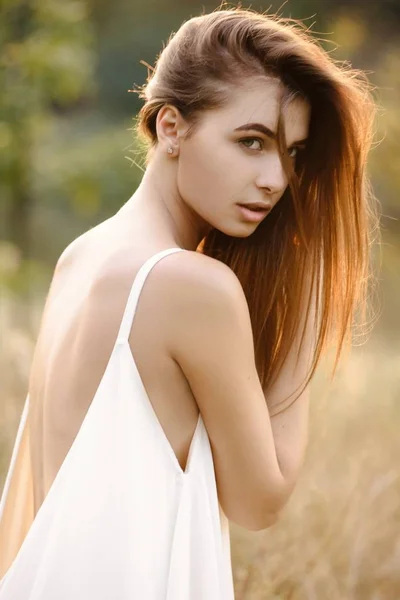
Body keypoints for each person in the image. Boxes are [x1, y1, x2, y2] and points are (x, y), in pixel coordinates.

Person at [0, 6, 378, 599]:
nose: (277, 179)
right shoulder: (191, 286)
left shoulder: (82, 255)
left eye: (293, 154)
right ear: (171, 127)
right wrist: (311, 294)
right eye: (251, 142)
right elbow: (261, 500)